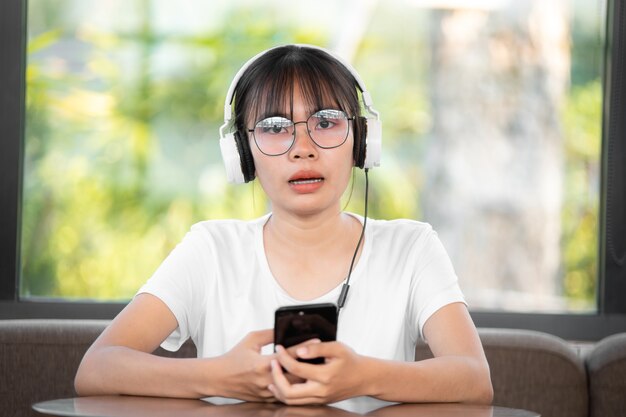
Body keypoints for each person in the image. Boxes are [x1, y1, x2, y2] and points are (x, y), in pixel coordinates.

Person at [74, 44, 493, 407]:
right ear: (242, 153)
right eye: (275, 128)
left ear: (362, 141)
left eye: (326, 122)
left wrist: (364, 377)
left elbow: (475, 380)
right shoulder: (211, 249)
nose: (303, 150)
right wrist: (218, 376)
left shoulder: (411, 247)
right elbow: (97, 368)